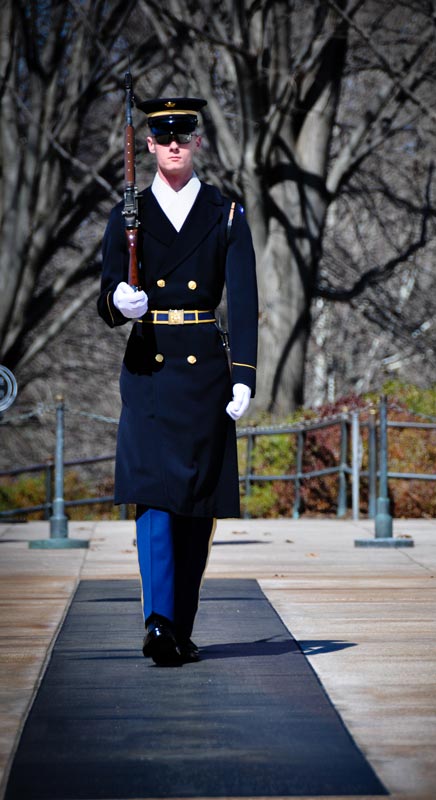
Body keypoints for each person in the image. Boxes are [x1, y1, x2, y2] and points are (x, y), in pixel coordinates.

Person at [97, 96, 258, 665]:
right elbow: (107, 293)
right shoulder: (129, 214)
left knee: (197, 505)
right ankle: (158, 621)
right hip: (148, 369)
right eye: (162, 135)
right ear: (148, 144)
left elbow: (243, 304)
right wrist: (121, 300)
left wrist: (244, 378)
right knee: (155, 498)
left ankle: (180, 625)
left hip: (204, 373)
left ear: (195, 142)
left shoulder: (225, 213)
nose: (172, 144)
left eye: (181, 136)